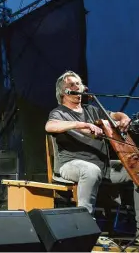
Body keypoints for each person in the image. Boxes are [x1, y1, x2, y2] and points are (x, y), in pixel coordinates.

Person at [45, 70, 138, 230]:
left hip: (102, 167)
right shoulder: (59, 112)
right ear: (63, 91)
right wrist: (82, 124)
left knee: (136, 169)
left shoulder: (92, 110)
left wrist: (123, 117)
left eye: (78, 83)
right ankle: (84, 229)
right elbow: (50, 126)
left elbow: (114, 115)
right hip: (71, 165)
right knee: (90, 170)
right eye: (71, 84)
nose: (77, 86)